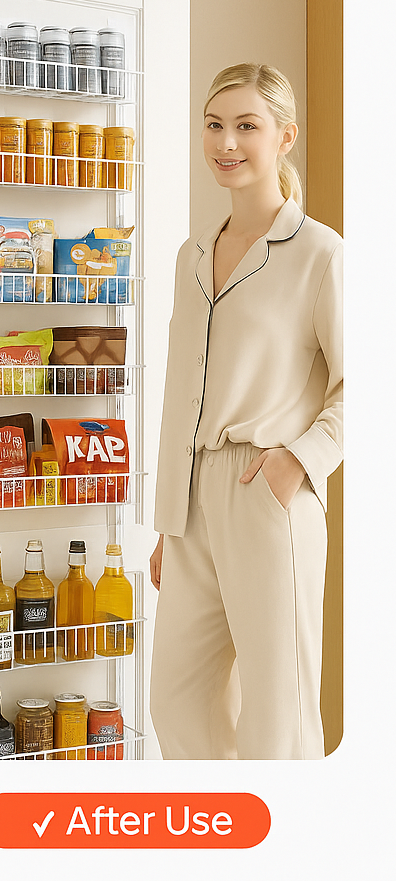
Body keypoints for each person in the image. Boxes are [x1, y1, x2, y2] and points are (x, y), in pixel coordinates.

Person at [148, 63, 342, 760]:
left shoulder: (319, 252)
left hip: (268, 493)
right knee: (175, 699)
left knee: (278, 711)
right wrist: (171, 521)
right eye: (214, 125)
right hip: (194, 502)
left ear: (285, 137)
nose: (226, 142)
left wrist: (301, 460)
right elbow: (182, 391)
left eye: (247, 126)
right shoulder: (192, 255)